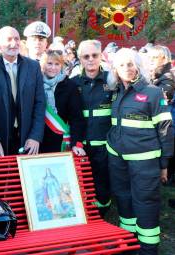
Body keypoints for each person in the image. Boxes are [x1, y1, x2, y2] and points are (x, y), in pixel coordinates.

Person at [106, 48, 173, 255]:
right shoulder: (115, 92)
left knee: (145, 204)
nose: (127, 68)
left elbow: (165, 130)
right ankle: (128, 243)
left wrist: (164, 164)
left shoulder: (152, 92)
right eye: (121, 64)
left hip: (145, 164)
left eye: (130, 63)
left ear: (138, 66)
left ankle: (147, 249)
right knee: (124, 200)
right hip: (118, 161)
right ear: (115, 69)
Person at [0, 26, 45, 156]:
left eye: (17, 39)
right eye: (9, 39)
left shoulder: (33, 67)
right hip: (0, 140)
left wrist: (35, 136)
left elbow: (40, 103)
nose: (14, 43)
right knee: (1, 176)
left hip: (28, 139)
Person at [71, 40, 112, 217]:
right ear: (80, 59)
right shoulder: (73, 83)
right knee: (81, 183)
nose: (90, 60)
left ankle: (102, 214)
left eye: (94, 55)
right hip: (81, 146)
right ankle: (85, 214)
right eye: (86, 56)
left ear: (100, 56)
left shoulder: (112, 80)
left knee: (102, 183)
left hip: (105, 145)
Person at [39, 50, 85, 155]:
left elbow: (76, 118)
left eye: (57, 64)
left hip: (60, 141)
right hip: (39, 141)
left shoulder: (70, 86)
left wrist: (76, 143)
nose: (53, 67)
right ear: (43, 65)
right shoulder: (36, 84)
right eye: (49, 63)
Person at [148, 45, 175, 185]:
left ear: (164, 59)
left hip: (165, 128)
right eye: (149, 57)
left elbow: (162, 97)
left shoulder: (167, 78)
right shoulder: (158, 75)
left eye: (154, 57)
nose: (150, 60)